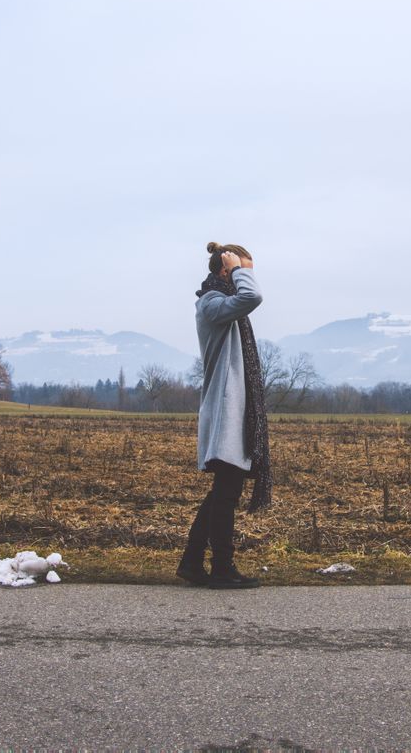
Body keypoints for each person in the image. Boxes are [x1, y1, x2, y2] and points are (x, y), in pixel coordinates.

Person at [177, 242, 273, 589]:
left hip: (235, 411)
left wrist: (237, 269)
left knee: (222, 492)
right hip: (226, 411)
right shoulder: (213, 304)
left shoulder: (222, 305)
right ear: (225, 271)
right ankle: (221, 567)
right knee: (226, 493)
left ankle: (192, 562)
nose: (248, 277)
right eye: (242, 271)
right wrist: (238, 269)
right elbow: (253, 297)